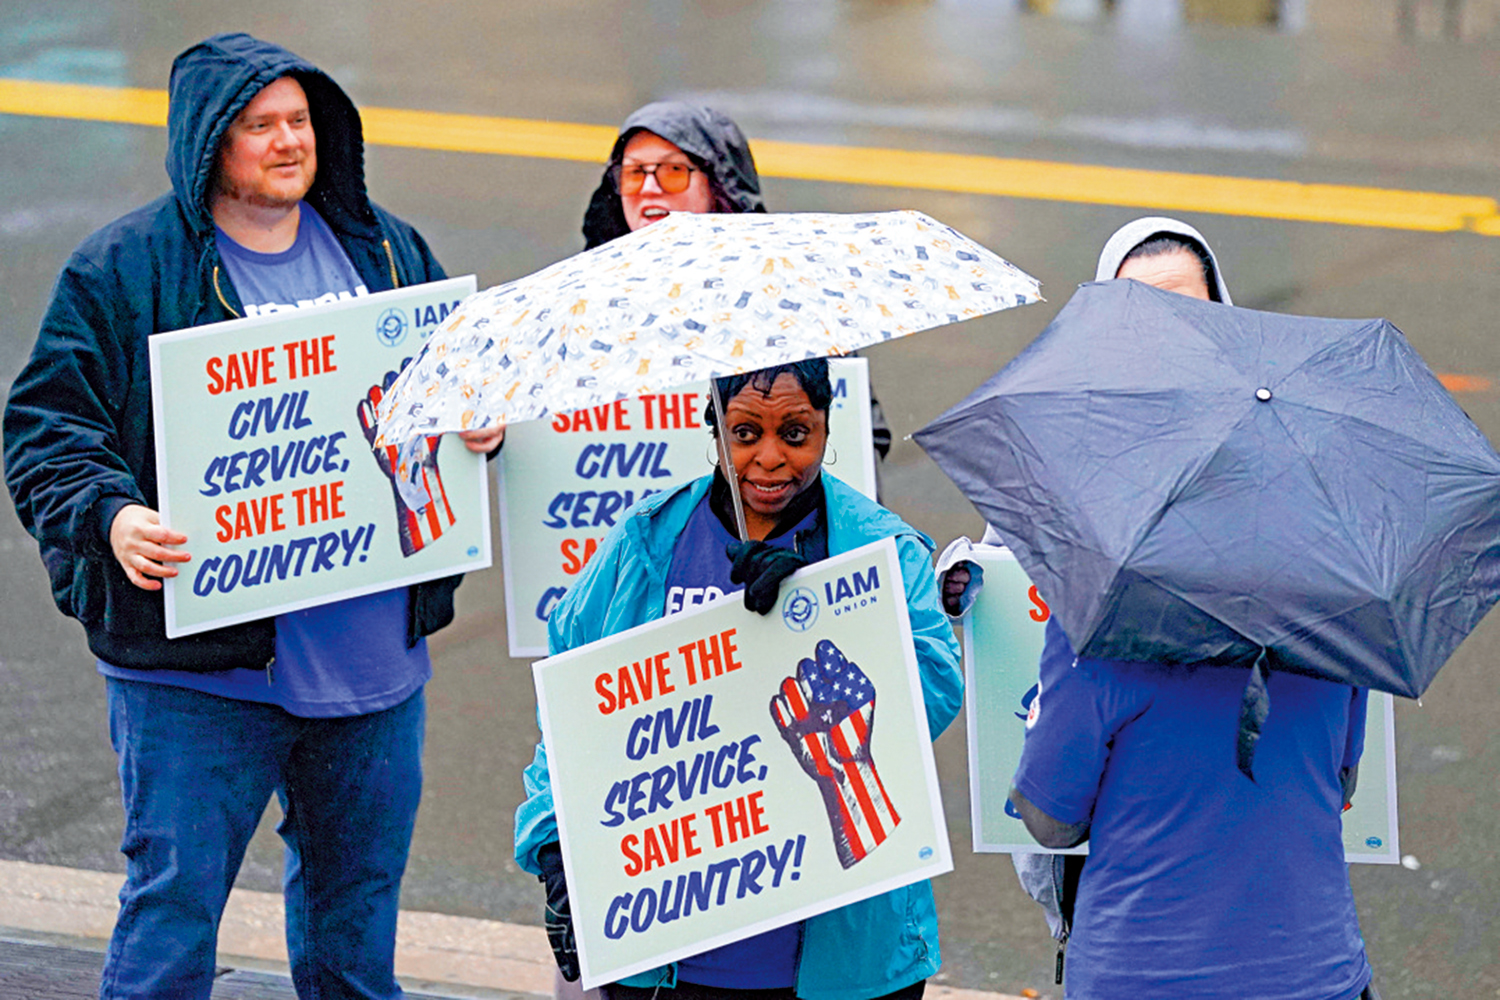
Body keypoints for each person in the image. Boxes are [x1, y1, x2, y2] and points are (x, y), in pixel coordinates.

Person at [3, 33, 499, 999]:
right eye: (259, 127)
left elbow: (464, 390)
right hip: (200, 679)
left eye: (300, 123)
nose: (287, 143)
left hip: (372, 672)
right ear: (206, 145)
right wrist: (110, 519)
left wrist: (479, 425)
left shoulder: (390, 253)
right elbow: (44, 430)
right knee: (171, 925)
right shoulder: (123, 269)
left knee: (357, 934)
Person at [514, 358, 963, 1000]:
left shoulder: (877, 546)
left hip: (843, 954)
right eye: (746, 434)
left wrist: (814, 611)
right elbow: (570, 703)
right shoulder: (646, 541)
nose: (771, 459)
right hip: (673, 955)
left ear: (829, 429)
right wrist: (555, 842)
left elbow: (935, 689)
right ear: (713, 429)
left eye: (796, 433)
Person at [581, 101, 894, 478]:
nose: (649, 188)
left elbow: (860, 434)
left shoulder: (789, 300)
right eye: (633, 173)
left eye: (673, 171)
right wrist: (497, 440)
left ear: (718, 186)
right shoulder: (584, 303)